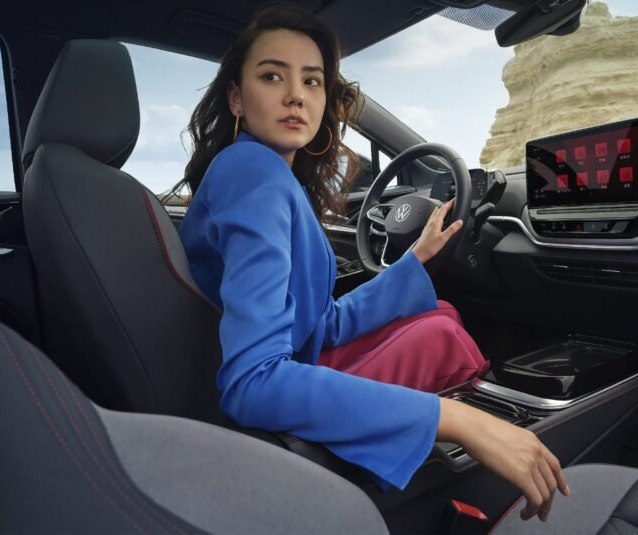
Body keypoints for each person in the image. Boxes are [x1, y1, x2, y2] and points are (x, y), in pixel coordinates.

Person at [174, 3, 569, 522]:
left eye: (312, 81)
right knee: (442, 336)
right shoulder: (254, 175)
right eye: (272, 76)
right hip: (267, 423)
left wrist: (415, 259)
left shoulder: (260, 172)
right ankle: (481, 478)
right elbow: (253, 382)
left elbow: (320, 322)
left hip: (279, 369)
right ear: (236, 98)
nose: (296, 95)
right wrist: (457, 420)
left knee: (441, 315)